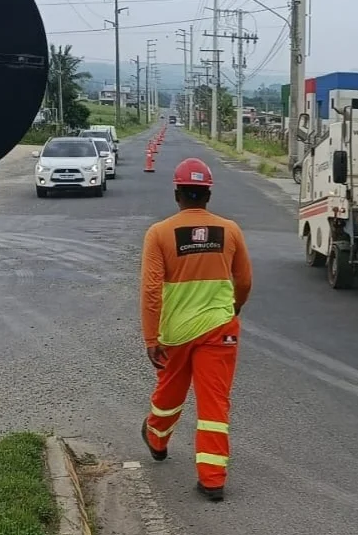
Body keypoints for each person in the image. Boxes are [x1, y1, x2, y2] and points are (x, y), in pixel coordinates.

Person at [140, 157, 252, 502]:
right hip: (220, 330)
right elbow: (244, 280)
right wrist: (231, 309)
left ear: (177, 194)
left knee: (170, 391)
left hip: (176, 333)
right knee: (215, 403)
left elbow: (151, 291)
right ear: (207, 195)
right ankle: (212, 480)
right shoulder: (230, 230)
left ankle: (157, 440)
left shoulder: (159, 233)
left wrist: (151, 337)